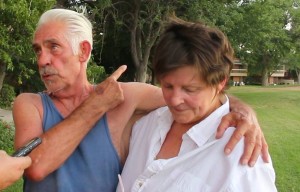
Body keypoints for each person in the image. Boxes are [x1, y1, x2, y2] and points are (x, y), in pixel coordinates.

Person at [13, 8, 268, 192]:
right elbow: (35, 167)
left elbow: (195, 95)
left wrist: (243, 111)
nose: (42, 60)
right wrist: (95, 105)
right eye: (38, 50)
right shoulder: (30, 104)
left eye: (53, 47)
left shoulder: (127, 97)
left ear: (84, 51)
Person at [117, 18, 277, 191]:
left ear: (220, 83)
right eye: (167, 86)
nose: (174, 100)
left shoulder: (242, 155)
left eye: (190, 89)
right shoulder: (145, 124)